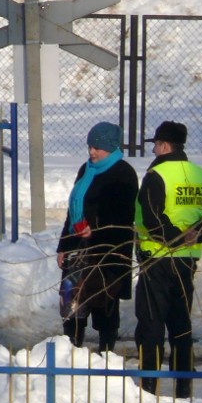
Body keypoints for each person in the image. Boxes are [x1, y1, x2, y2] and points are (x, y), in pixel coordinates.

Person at [134, 121, 202, 398]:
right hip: (187, 262)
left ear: (164, 146)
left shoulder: (157, 174)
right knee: (180, 324)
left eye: (155, 144)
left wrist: (174, 237)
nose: (153, 148)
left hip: (157, 259)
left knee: (151, 323)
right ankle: (183, 387)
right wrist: (194, 236)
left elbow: (151, 218)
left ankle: (148, 387)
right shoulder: (199, 174)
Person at [56, 122, 138, 352]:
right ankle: (71, 351)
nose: (92, 152)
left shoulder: (123, 173)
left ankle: (106, 355)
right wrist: (64, 245)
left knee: (104, 305)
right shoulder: (86, 169)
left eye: (98, 148)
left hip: (107, 252)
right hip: (79, 248)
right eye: (90, 146)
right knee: (70, 304)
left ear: (111, 148)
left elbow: (123, 218)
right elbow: (73, 209)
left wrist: (97, 230)